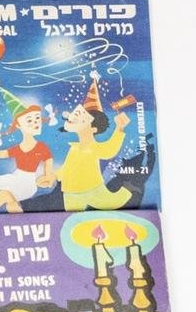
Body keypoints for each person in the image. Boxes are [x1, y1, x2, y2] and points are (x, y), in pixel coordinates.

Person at [47, 76, 134, 211]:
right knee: (72, 218)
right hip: (70, 192)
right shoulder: (74, 148)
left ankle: (130, 189)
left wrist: (119, 128)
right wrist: (54, 176)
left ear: (94, 128)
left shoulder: (93, 147)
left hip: (92, 189)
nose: (72, 119)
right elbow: (66, 168)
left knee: (114, 202)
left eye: (80, 118)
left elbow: (109, 150)